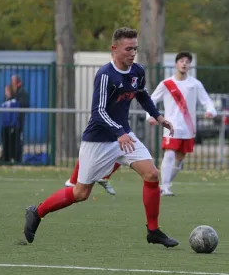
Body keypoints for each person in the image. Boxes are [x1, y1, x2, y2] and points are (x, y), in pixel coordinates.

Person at [23, 27, 179, 248]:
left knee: (152, 175)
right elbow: (99, 112)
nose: (133, 53)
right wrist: (119, 133)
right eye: (128, 49)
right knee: (80, 193)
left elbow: (142, 95)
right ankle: (37, 212)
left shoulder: (137, 71)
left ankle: (153, 231)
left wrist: (158, 116)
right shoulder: (106, 75)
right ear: (114, 49)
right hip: (98, 141)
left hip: (123, 137)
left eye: (135, 48)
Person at [147, 51, 217, 196]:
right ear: (176, 64)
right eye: (181, 61)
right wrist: (150, 116)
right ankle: (165, 187)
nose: (184, 64)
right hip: (171, 127)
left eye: (187, 61)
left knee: (179, 159)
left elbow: (206, 100)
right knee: (170, 154)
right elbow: (151, 100)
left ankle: (165, 185)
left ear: (190, 65)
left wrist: (210, 111)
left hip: (188, 128)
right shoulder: (167, 84)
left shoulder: (195, 84)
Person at [10, 75, 30, 162]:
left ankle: (18, 158)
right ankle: (10, 157)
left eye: (13, 81)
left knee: (18, 140)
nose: (11, 82)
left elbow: (25, 104)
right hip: (10, 121)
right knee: (11, 139)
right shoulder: (12, 91)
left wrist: (16, 104)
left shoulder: (22, 92)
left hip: (19, 121)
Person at [0, 85, 20, 163]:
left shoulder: (14, 102)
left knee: (10, 143)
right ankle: (5, 157)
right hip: (4, 125)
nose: (5, 93)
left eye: (6, 91)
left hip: (10, 126)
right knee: (4, 142)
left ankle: (10, 158)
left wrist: (13, 125)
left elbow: (15, 115)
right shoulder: (5, 102)